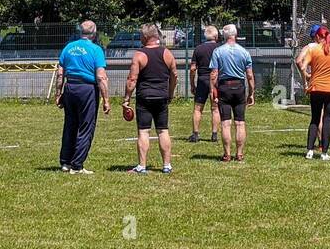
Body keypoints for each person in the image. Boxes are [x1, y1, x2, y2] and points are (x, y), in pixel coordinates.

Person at [56, 20, 110, 174]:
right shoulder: (96, 49)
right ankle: (77, 165)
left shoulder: (68, 47)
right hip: (87, 89)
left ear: (80, 32)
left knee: (70, 125)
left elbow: (60, 74)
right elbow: (101, 77)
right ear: (94, 33)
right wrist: (106, 99)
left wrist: (58, 94)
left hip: (70, 87)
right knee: (86, 126)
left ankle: (65, 162)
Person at [123, 24, 177, 174]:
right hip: (162, 97)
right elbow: (174, 76)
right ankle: (167, 165)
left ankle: (142, 166)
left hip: (145, 97)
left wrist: (126, 99)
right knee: (163, 130)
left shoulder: (139, 55)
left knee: (143, 132)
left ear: (145, 37)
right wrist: (170, 93)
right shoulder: (167, 53)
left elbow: (132, 79)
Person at [300, 25, 330, 160]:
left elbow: (302, 65)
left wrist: (306, 80)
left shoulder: (313, 50)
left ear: (318, 37)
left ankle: (309, 150)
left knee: (315, 119)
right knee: (328, 119)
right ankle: (324, 152)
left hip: (316, 88)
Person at [210, 23, 254, 162]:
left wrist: (213, 90)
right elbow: (250, 75)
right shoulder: (244, 52)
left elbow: (214, 73)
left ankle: (227, 154)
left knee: (225, 123)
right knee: (240, 123)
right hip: (239, 87)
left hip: (224, 87)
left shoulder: (218, 51)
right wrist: (251, 92)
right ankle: (239, 154)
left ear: (224, 35)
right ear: (235, 35)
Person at [188, 24, 220, 144]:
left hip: (202, 80)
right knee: (215, 108)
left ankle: (195, 134)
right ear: (216, 36)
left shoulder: (198, 49)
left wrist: (192, 84)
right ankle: (214, 134)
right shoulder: (220, 48)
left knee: (197, 108)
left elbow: (192, 68)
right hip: (216, 81)